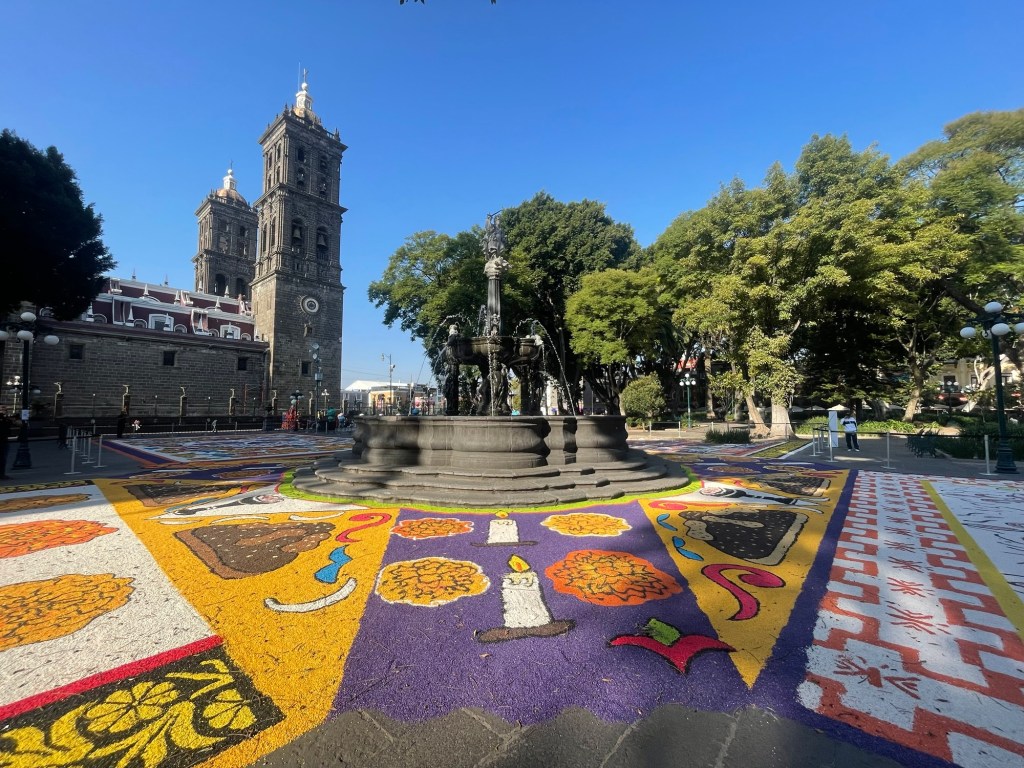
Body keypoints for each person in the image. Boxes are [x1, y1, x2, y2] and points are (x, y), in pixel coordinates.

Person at [0, 410, 11, 479]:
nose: (5, 410)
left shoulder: (5, 419)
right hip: (2, 440)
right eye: (2, 408)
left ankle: (2, 474)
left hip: (4, 440)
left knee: (3, 459)